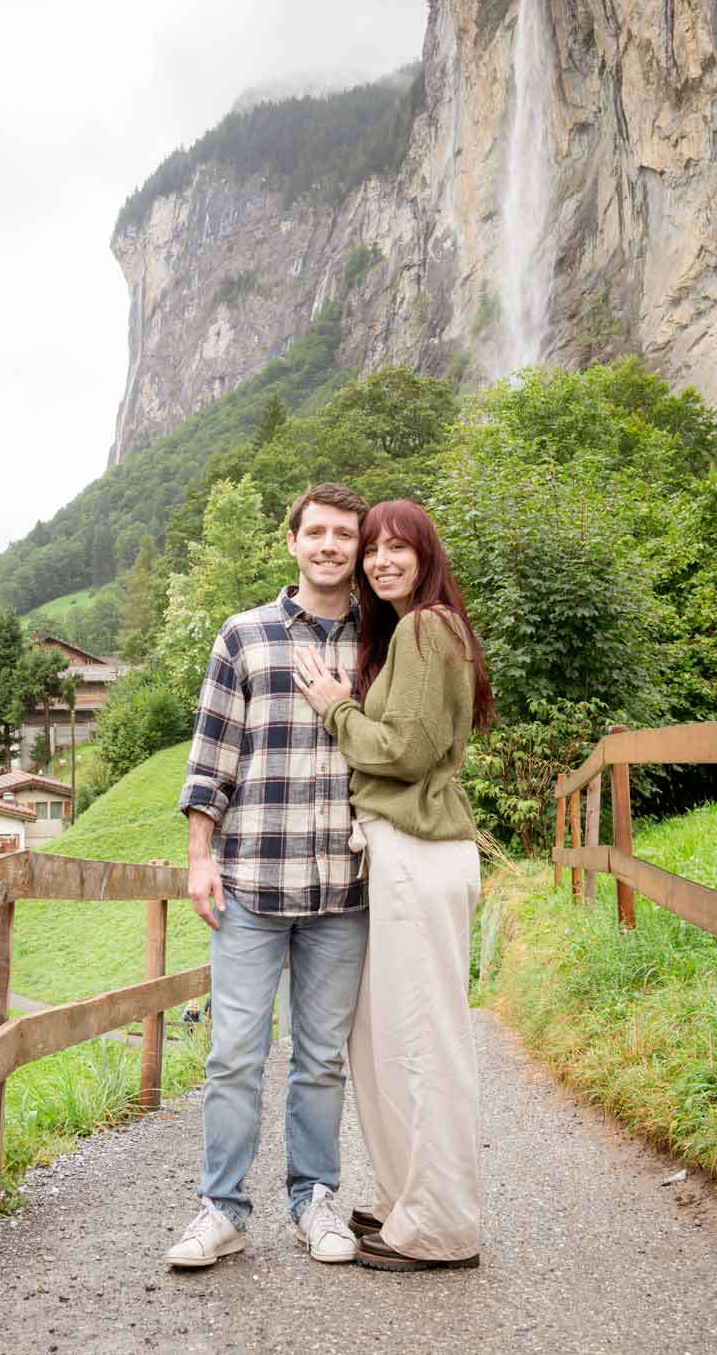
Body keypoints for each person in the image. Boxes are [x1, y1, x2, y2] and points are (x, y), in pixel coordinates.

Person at [167, 482, 370, 1270]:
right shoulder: (244, 636)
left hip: (342, 894)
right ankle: (221, 1210)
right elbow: (209, 757)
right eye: (315, 531)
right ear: (291, 542)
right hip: (251, 883)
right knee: (234, 1054)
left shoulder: (379, 640)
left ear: (357, 545)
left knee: (321, 1058)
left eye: (343, 534)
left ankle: (315, 1200)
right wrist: (198, 857)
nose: (329, 545)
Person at [293, 497, 495, 1273]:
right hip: (408, 854)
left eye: (395, 548)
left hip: (417, 852)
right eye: (370, 548)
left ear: (426, 553)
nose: (378, 560)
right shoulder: (422, 629)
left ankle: (441, 1228)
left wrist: (334, 708)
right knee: (387, 1040)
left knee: (421, 1045)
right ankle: (404, 1201)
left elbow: (406, 753)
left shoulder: (423, 626)